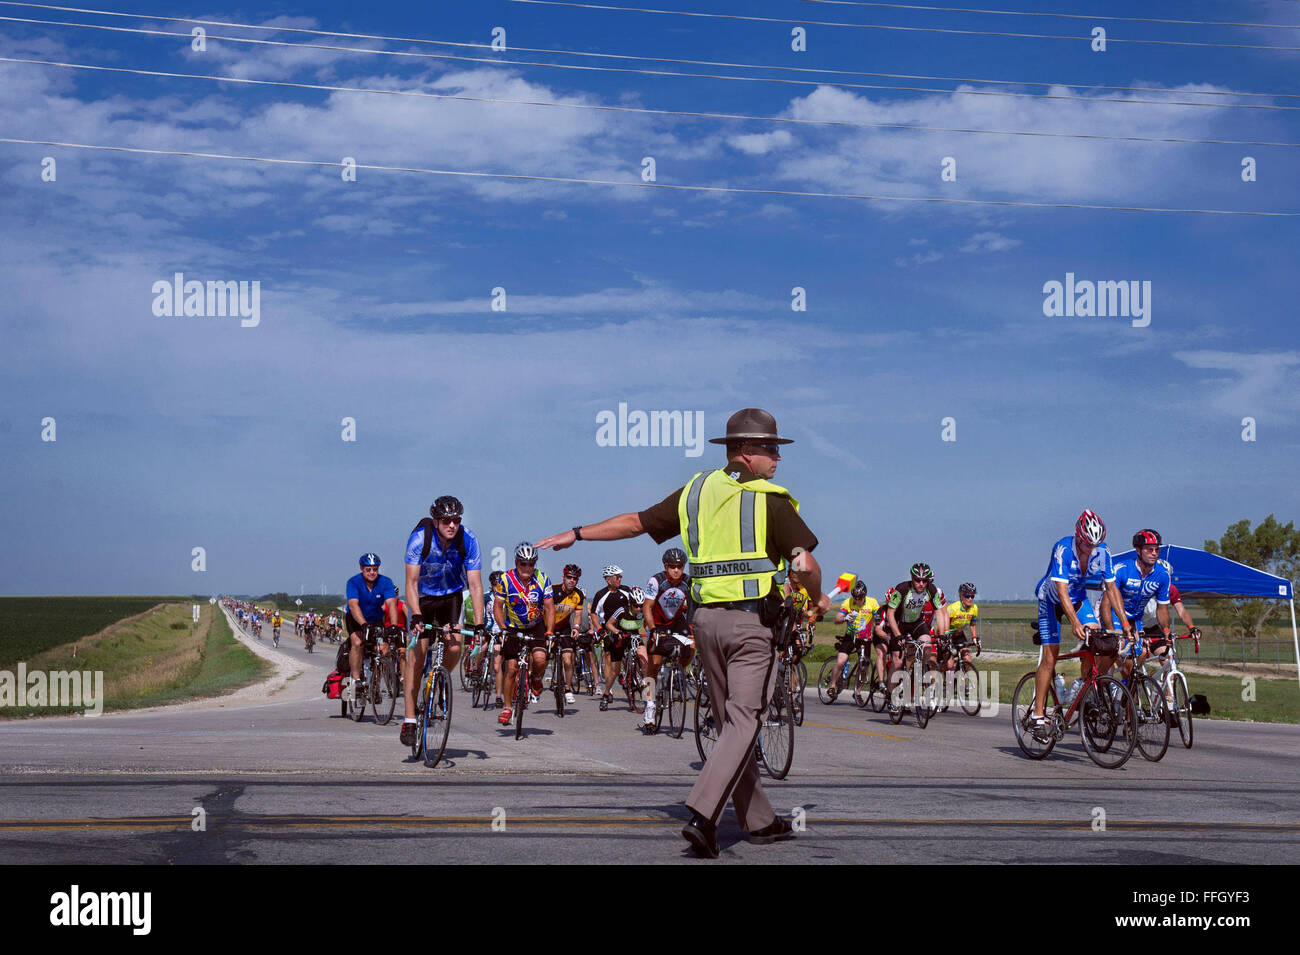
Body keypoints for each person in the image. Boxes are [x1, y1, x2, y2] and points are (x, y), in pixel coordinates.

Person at [536, 408, 828, 859]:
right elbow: (804, 564)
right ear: (746, 451)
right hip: (752, 627)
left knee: (733, 723)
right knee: (746, 718)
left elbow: (636, 522)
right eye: (771, 448)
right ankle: (704, 815)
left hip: (705, 625)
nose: (777, 458)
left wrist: (577, 534)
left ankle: (760, 821)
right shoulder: (770, 499)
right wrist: (820, 599)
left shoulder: (696, 492)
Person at [1028, 510, 1131, 734]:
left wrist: (1124, 624)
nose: (1091, 549)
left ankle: (1083, 686)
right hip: (1051, 600)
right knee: (1050, 657)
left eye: (1095, 544)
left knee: (1102, 643)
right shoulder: (1063, 549)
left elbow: (1112, 589)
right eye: (1086, 544)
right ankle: (1037, 715)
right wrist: (1074, 623)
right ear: (1078, 537)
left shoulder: (1102, 552)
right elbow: (1061, 590)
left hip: (1078, 599)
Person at [401, 495, 484, 748]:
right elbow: (411, 583)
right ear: (436, 521)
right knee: (417, 656)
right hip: (423, 599)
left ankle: (439, 679)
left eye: (456, 520)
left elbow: (475, 584)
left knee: (456, 646)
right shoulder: (419, 539)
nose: (452, 525)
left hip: (451, 596)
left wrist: (479, 625)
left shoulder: (468, 540)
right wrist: (415, 614)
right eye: (446, 520)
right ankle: (410, 719)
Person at [493, 543, 555, 726]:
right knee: (511, 668)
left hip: (536, 625)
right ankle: (507, 708)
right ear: (516, 563)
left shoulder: (543, 579)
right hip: (513, 626)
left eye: (531, 564)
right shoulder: (505, 579)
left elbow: (550, 607)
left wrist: (550, 631)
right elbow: (498, 606)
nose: (527, 568)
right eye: (523, 564)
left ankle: (536, 680)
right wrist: (502, 627)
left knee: (540, 660)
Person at [1106, 529, 1172, 682]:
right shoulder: (1122, 569)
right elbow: (1106, 602)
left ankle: (1125, 690)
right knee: (1115, 648)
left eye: (1157, 549)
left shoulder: (1162, 574)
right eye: (1149, 549)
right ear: (1138, 550)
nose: (1154, 553)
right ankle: (1099, 683)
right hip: (1115, 614)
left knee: (1140, 654)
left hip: (1135, 618)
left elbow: (1162, 608)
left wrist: (1166, 630)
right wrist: (1112, 630)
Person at [641, 548, 694, 731]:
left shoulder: (688, 581)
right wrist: (652, 628)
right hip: (658, 622)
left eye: (679, 567)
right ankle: (649, 705)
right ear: (666, 567)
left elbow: (694, 605)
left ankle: (679, 670)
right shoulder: (656, 581)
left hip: (677, 621)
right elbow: (647, 607)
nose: (676, 571)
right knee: (654, 664)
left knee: (693, 644)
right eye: (672, 567)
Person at [345, 553, 401, 694]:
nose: (372, 572)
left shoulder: (386, 582)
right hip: (356, 619)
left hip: (375, 619)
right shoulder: (353, 582)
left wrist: (394, 625)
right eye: (368, 569)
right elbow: (353, 605)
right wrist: (363, 624)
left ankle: (374, 682)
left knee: (383, 649)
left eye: (375, 569)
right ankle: (356, 680)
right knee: (358, 643)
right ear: (362, 569)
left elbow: (391, 604)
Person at [828, 580, 878, 700]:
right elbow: (837, 619)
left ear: (864, 596)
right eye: (855, 598)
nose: (857, 600)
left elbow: (878, 618)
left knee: (864, 667)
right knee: (841, 661)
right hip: (850, 636)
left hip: (865, 638)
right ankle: (833, 686)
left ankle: (858, 692)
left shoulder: (872, 602)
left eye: (860, 598)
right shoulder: (848, 602)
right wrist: (844, 617)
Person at [551, 564, 587, 705]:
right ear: (563, 578)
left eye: (575, 578)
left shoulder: (578, 595)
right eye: (569, 577)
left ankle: (567, 689)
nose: (572, 580)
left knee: (568, 659)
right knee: (538, 657)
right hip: (548, 626)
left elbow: (577, 615)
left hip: (564, 627)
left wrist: (576, 628)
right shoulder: (553, 590)